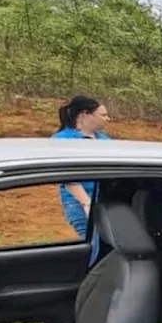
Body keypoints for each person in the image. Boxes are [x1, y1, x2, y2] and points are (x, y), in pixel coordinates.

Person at [51, 96, 110, 239]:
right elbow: (66, 176)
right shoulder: (62, 140)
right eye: (103, 115)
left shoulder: (105, 140)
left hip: (105, 201)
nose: (108, 119)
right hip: (78, 203)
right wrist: (86, 203)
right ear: (85, 114)